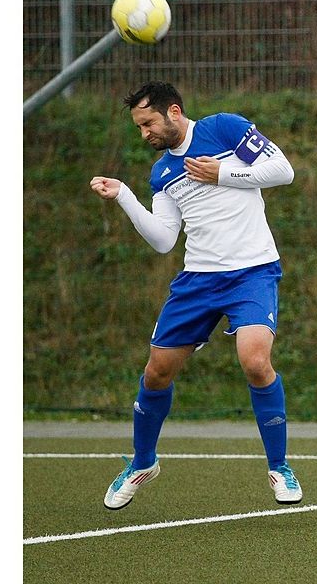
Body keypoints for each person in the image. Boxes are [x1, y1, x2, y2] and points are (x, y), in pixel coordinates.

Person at [89, 81, 302, 510]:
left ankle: (279, 467)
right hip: (198, 280)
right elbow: (164, 240)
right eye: (138, 127)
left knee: (256, 361)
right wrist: (126, 197)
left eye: (148, 123)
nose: (144, 133)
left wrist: (222, 172)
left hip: (252, 272)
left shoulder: (224, 130)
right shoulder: (162, 173)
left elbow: (283, 170)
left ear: (173, 111)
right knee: (156, 373)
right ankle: (142, 462)